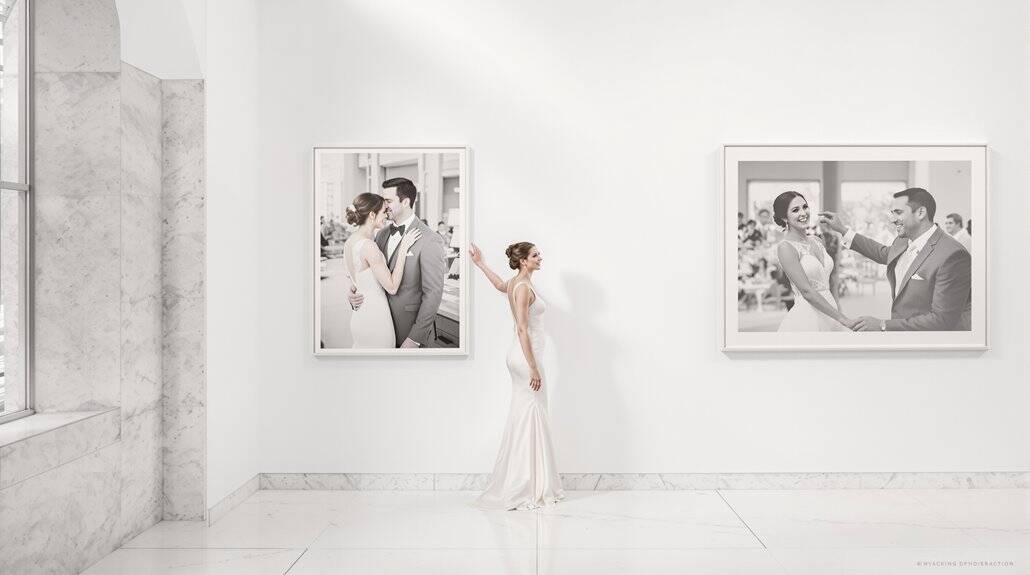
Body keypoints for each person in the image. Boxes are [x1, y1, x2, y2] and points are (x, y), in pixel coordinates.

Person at [468, 241, 564, 510]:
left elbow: (500, 285)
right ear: (524, 261)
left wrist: (480, 263)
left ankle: (528, 480)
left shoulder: (516, 283)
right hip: (525, 359)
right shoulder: (522, 288)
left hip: (521, 357)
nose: (540, 258)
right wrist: (533, 366)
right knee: (531, 415)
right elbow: (522, 329)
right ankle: (526, 485)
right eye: (535, 255)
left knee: (526, 415)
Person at [820, 187, 971, 331]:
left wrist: (883, 325)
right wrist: (842, 230)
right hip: (904, 334)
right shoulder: (903, 240)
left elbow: (942, 320)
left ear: (920, 213)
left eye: (898, 212)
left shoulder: (953, 255)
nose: (892, 219)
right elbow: (882, 253)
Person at [349, 178, 448, 348]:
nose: (383, 206)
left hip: (408, 331)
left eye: (388, 201)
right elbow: (371, 275)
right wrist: (354, 293)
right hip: (378, 325)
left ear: (405, 202)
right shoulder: (380, 234)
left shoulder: (430, 240)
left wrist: (415, 338)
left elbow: (433, 294)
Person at [342, 193, 421, 348]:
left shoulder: (349, 242)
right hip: (376, 318)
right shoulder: (368, 246)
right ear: (372, 214)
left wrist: (352, 292)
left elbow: (356, 280)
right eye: (384, 211)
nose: (387, 215)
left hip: (359, 316)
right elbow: (391, 287)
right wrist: (403, 248)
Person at [773, 192, 854, 332]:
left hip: (831, 309)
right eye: (795, 210)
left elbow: (827, 280)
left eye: (805, 207)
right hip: (808, 314)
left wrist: (837, 308)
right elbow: (807, 291)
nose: (803, 212)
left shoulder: (817, 240)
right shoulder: (785, 247)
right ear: (784, 217)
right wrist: (842, 318)